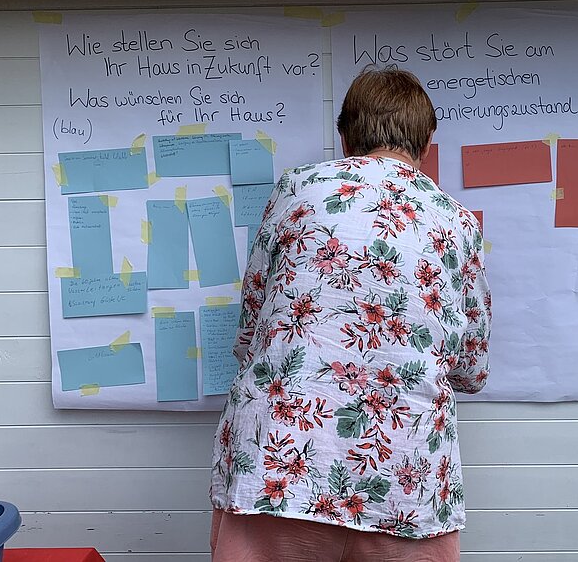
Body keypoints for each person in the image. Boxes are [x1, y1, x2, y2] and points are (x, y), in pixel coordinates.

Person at [210, 66, 491, 562]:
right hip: (405, 474)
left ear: (345, 135)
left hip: (281, 464)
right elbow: (471, 367)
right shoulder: (458, 222)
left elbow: (252, 327)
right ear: (427, 141)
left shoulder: (299, 188)